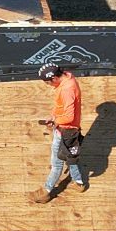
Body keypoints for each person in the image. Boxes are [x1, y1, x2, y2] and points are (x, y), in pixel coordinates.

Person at [35, 64, 87, 202]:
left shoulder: (66, 90)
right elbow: (61, 106)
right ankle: (79, 183)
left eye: (47, 82)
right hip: (72, 130)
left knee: (57, 163)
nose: (48, 85)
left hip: (65, 131)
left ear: (53, 78)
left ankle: (46, 191)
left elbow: (68, 117)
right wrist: (53, 115)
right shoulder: (68, 78)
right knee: (71, 157)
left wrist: (56, 121)